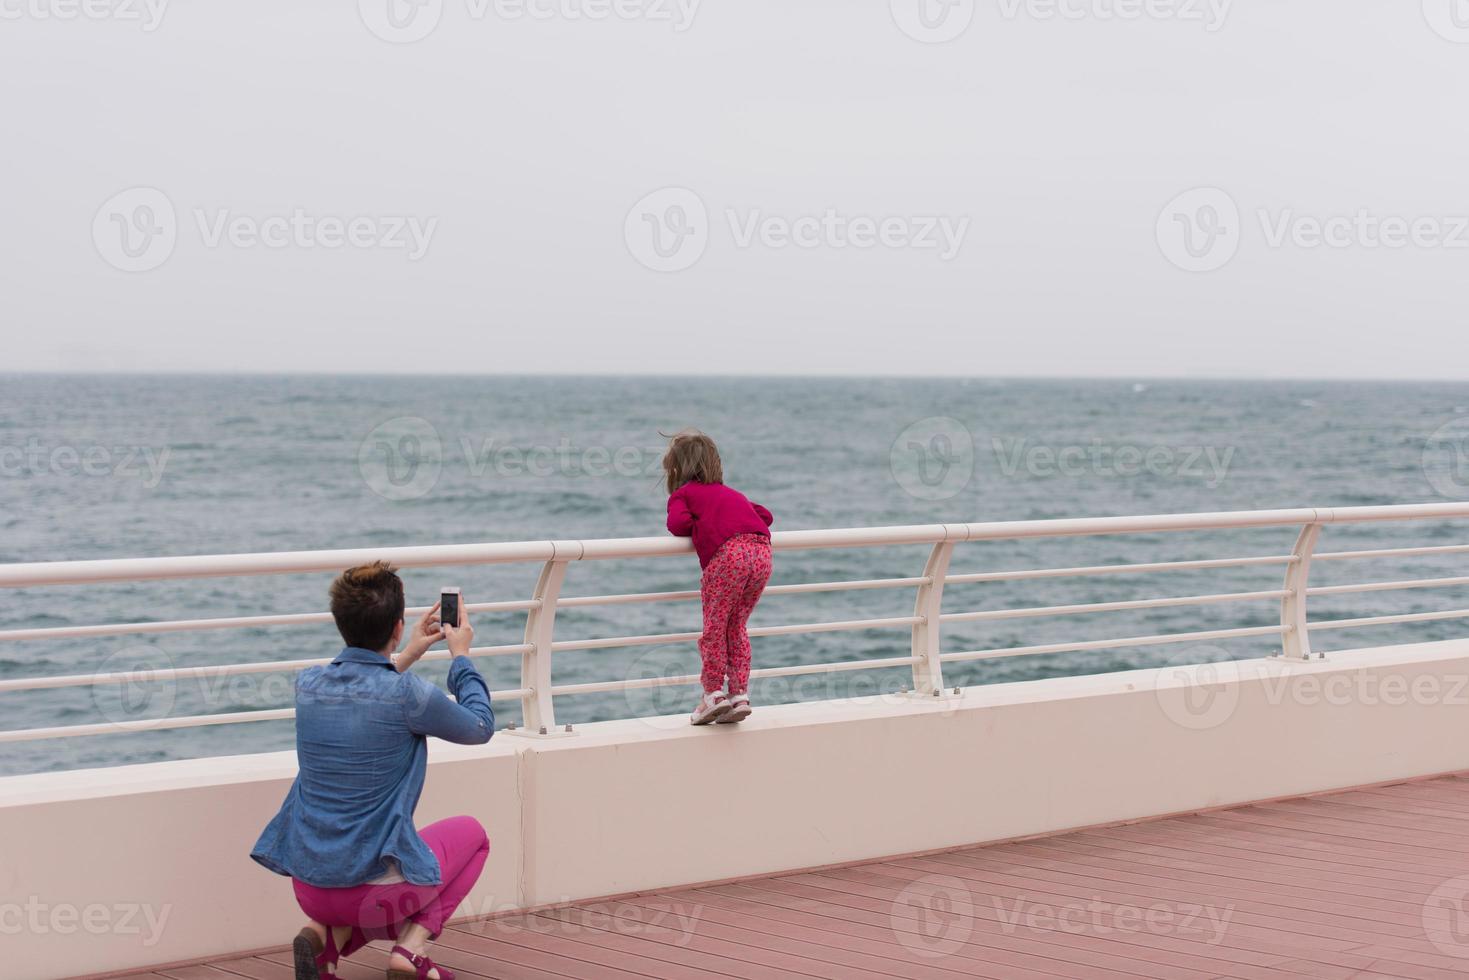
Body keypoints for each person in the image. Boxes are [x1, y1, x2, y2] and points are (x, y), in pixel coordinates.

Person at [250, 561, 493, 980]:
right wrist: (461, 658)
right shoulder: (409, 696)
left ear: (340, 622)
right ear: (397, 627)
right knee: (473, 836)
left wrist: (410, 654)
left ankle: (327, 942)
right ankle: (410, 953)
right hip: (378, 894)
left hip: (310, 888)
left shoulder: (308, 685)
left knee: (360, 871)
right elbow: (480, 727)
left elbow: (365, 694)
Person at [663, 430, 774, 725]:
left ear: (676, 468)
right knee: (736, 626)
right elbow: (765, 515)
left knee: (714, 626)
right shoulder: (732, 494)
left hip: (729, 558)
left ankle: (713, 693)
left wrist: (700, 524)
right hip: (761, 553)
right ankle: (738, 694)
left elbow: (677, 524)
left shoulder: (684, 494)